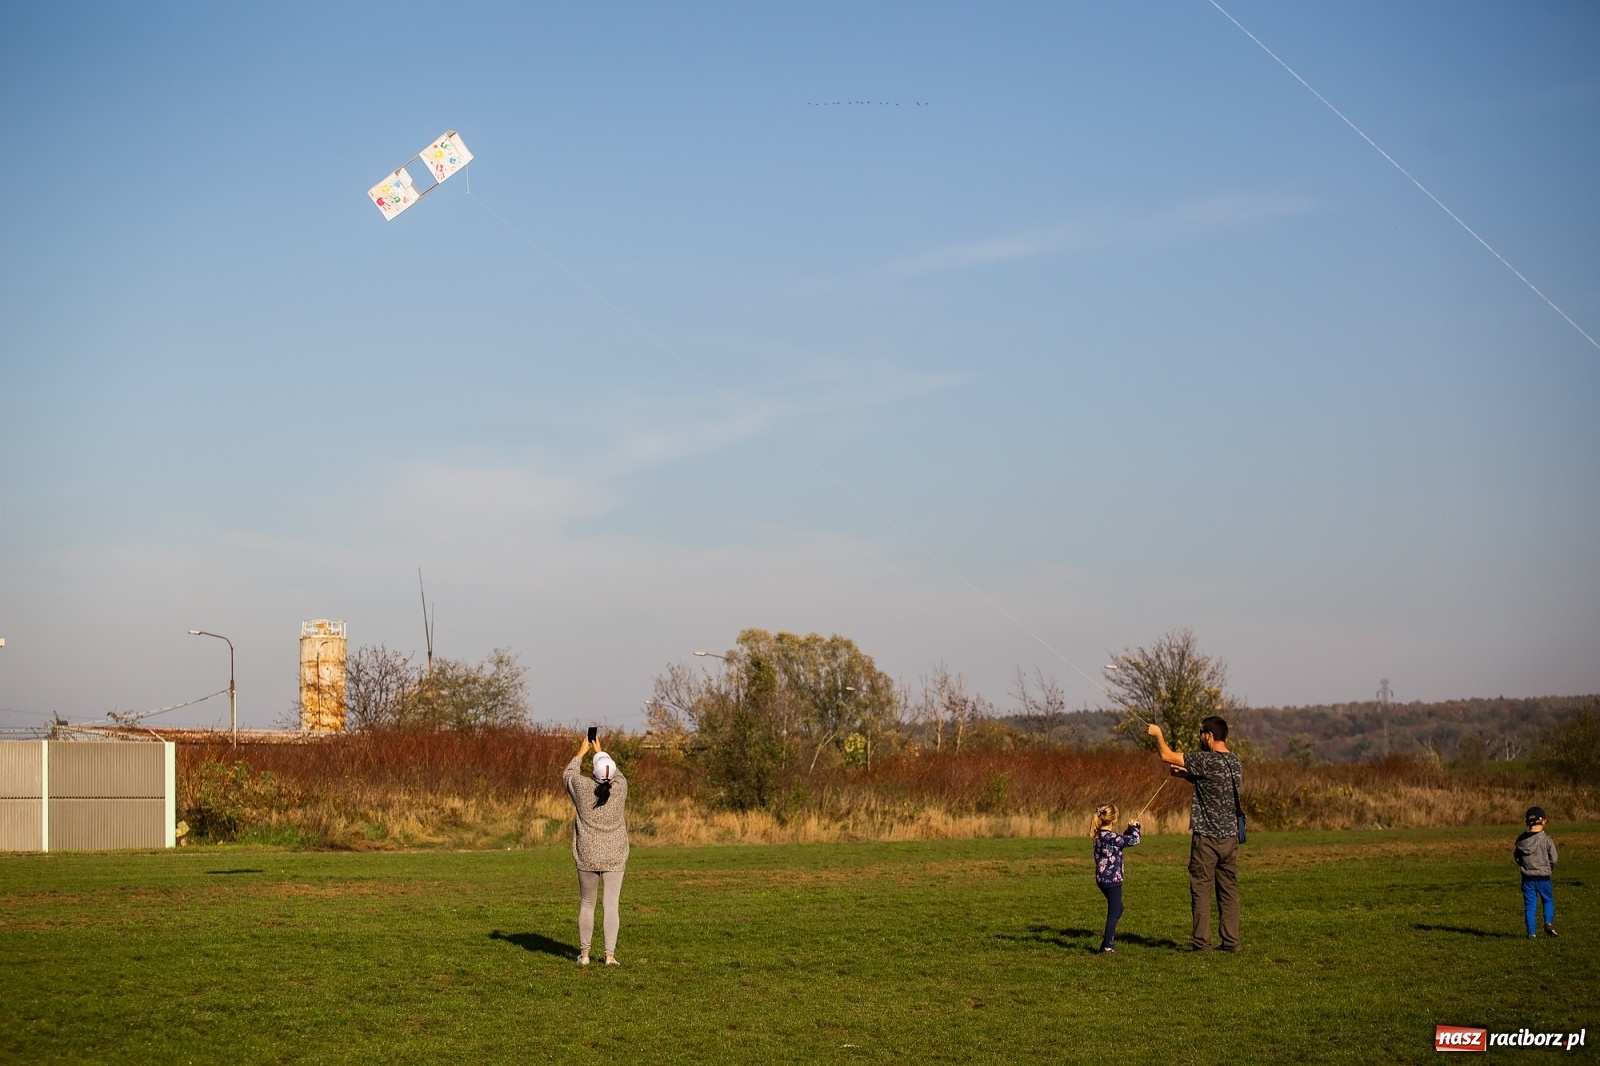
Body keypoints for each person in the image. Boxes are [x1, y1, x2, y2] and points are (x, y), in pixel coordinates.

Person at [1148, 716, 1243, 952]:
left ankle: (1202, 943)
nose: (1200, 737)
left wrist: (1158, 735)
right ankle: (1231, 942)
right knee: (1228, 891)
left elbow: (1166, 756)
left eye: (1202, 733)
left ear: (1209, 735)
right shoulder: (1235, 762)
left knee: (1201, 889)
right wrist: (1187, 776)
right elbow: (1214, 784)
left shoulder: (1206, 759)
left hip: (1206, 840)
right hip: (1230, 839)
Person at [563, 733, 630, 966]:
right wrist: (601, 752)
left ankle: (584, 955)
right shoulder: (620, 788)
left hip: (588, 854)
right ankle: (609, 956)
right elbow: (617, 773)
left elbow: (568, 775)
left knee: (587, 904)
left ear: (593, 773)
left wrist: (582, 753)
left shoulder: (582, 788)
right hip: (615, 855)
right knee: (611, 904)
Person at [1090, 803, 1142, 953]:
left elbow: (1122, 840)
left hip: (1102, 880)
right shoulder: (1111, 838)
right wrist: (1134, 828)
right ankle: (1107, 945)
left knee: (1118, 908)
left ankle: (1107, 942)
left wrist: (1130, 830)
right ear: (1113, 820)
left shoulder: (1099, 835)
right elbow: (1134, 840)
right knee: (1114, 911)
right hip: (1113, 881)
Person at [1514, 806, 1558, 938]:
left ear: (1527, 822)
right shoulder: (1547, 840)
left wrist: (1525, 865)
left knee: (1530, 906)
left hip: (1527, 878)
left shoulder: (1521, 840)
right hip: (1544, 877)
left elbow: (1517, 857)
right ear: (1543, 821)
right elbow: (1554, 858)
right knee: (1548, 901)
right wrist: (1549, 868)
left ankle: (1531, 933)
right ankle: (1548, 922)